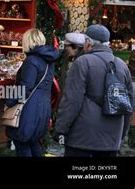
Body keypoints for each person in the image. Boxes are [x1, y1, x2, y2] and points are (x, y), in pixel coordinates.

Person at [55, 25, 134, 157]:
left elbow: (72, 101)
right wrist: (122, 133)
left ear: (88, 43)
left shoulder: (82, 62)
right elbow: (129, 103)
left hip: (82, 137)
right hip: (112, 137)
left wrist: (61, 129)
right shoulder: (122, 66)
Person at [5, 29, 59, 157]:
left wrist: (9, 103)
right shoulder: (48, 60)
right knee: (34, 143)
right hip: (43, 107)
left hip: (29, 109)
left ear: (27, 41)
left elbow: (25, 88)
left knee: (23, 144)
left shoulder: (31, 60)